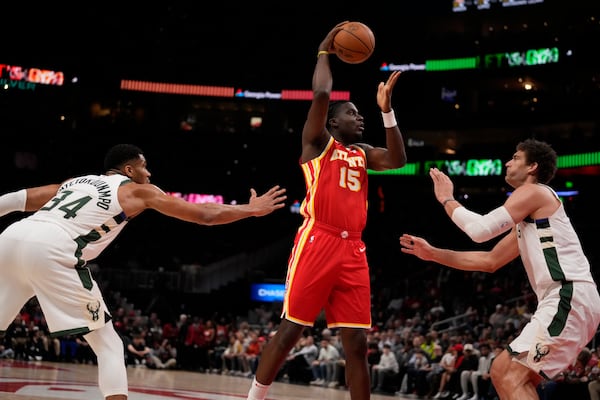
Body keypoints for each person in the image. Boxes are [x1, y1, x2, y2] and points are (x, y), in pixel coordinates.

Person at [0, 143, 287, 400]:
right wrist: (250, 210)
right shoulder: (137, 190)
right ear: (129, 169)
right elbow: (205, 215)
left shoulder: (75, 182)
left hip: (11, 239)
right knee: (109, 345)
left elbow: (13, 200)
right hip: (52, 248)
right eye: (144, 166)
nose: (149, 174)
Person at [246, 21, 407, 400]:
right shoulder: (318, 146)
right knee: (290, 330)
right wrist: (323, 50)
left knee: (357, 344)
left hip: (354, 250)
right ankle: (255, 397)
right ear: (333, 122)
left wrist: (387, 112)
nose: (360, 117)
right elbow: (321, 94)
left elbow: (398, 159)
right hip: (318, 238)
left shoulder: (363, 153)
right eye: (352, 113)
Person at [399, 138, 600, 400]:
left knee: (507, 373)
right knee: (508, 374)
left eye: (515, 157)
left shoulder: (535, 191)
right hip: (571, 299)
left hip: (568, 295)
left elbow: (480, 231)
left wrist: (447, 199)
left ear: (532, 167)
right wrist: (434, 254)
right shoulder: (530, 220)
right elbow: (489, 261)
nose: (507, 162)